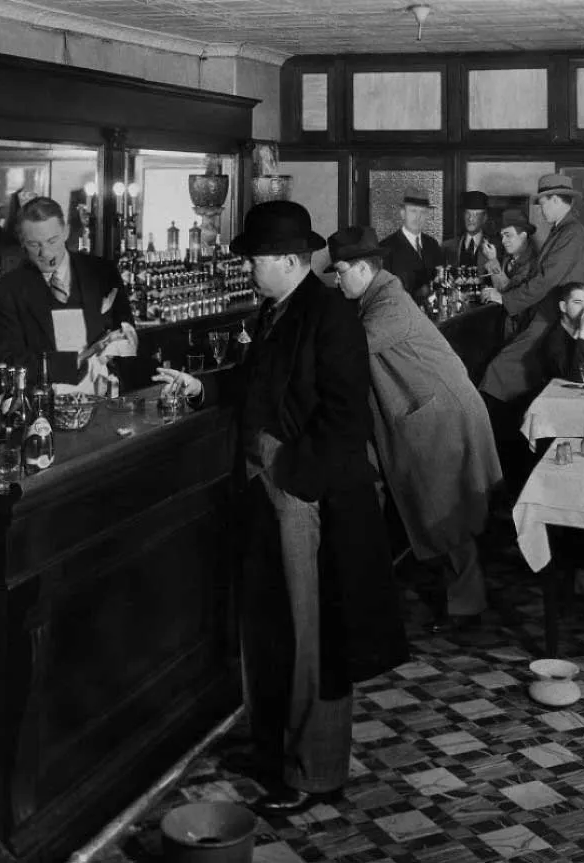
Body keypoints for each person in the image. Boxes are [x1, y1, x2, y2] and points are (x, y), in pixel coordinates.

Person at [154, 201, 408, 815]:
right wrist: (203, 387)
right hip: (267, 487)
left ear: (291, 261)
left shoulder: (331, 316)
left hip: (303, 493)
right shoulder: (276, 308)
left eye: (258, 260)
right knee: (270, 626)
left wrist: (292, 476)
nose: (250, 270)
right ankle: (275, 750)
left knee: (309, 634)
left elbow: (346, 419)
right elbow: (255, 384)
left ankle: (312, 773)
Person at [325, 225, 502, 629]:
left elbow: (347, 351)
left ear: (363, 269)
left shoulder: (389, 303)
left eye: (340, 272)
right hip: (427, 413)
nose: (337, 281)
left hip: (441, 419)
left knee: (447, 514)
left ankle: (469, 609)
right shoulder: (374, 294)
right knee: (437, 510)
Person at [479, 174, 584, 489]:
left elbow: (545, 280)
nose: (540, 209)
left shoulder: (572, 233)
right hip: (547, 316)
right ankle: (507, 465)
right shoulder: (563, 231)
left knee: (497, 374)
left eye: (542, 202)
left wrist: (506, 298)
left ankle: (499, 469)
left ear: (556, 200)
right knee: (507, 381)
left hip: (553, 320)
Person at [0, 196, 135, 387]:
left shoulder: (102, 272)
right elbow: (10, 361)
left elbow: (127, 330)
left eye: (52, 241)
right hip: (44, 402)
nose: (46, 254)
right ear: (22, 242)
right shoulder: (10, 289)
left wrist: (115, 351)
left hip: (103, 393)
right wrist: (78, 360)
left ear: (66, 232)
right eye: (34, 245)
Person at [378, 188, 443, 303]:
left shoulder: (432, 244)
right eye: (413, 211)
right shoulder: (386, 248)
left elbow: (440, 280)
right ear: (403, 213)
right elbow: (383, 293)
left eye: (422, 212)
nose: (418, 217)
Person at [481, 208, 539, 335]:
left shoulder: (532, 263)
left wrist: (493, 261)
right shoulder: (509, 257)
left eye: (508, 235)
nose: (503, 241)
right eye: (502, 236)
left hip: (522, 329)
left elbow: (508, 291)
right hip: (506, 324)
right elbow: (500, 289)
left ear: (523, 236)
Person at [443, 190, 492, 268]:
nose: (471, 219)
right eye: (468, 213)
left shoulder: (495, 247)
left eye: (476, 215)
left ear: (484, 218)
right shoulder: (447, 247)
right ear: (463, 215)